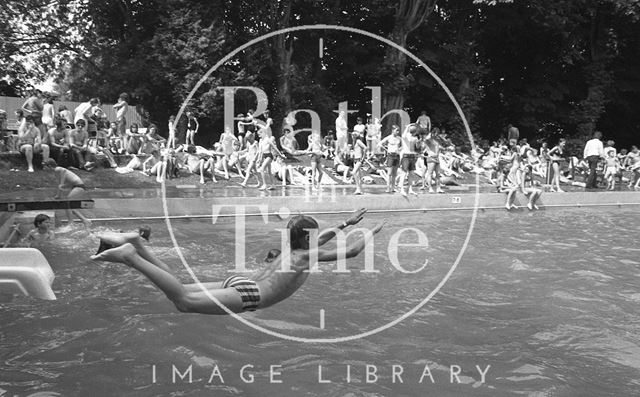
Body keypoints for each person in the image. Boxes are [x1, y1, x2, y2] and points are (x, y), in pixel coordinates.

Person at [91, 209, 385, 315]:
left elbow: (324, 237)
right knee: (183, 301)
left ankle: (139, 245)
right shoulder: (304, 256)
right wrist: (372, 231)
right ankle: (130, 257)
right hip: (251, 294)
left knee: (179, 286)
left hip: (242, 283)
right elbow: (352, 252)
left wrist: (347, 223)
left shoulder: (292, 251)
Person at [44, 158, 91, 227]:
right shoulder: (56, 172)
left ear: (50, 166)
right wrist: (58, 195)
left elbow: (64, 171)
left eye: (45, 166)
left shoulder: (57, 169)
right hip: (76, 186)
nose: (44, 168)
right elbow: (60, 184)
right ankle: (85, 220)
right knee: (69, 206)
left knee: (67, 203)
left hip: (79, 186)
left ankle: (71, 222)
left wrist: (62, 184)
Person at [377, 125, 403, 193]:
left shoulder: (399, 138)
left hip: (397, 155)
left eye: (398, 130)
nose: (397, 132)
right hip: (390, 155)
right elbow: (380, 143)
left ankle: (393, 187)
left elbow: (404, 145)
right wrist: (386, 149)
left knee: (394, 173)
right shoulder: (389, 137)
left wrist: (399, 149)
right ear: (393, 130)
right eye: (396, 130)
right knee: (389, 173)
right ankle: (388, 188)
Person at [398, 124, 421, 196]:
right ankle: (401, 189)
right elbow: (403, 136)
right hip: (406, 156)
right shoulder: (406, 135)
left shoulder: (415, 138)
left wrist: (419, 142)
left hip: (412, 156)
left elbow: (417, 147)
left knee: (411, 173)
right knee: (404, 173)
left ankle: (410, 189)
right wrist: (407, 127)